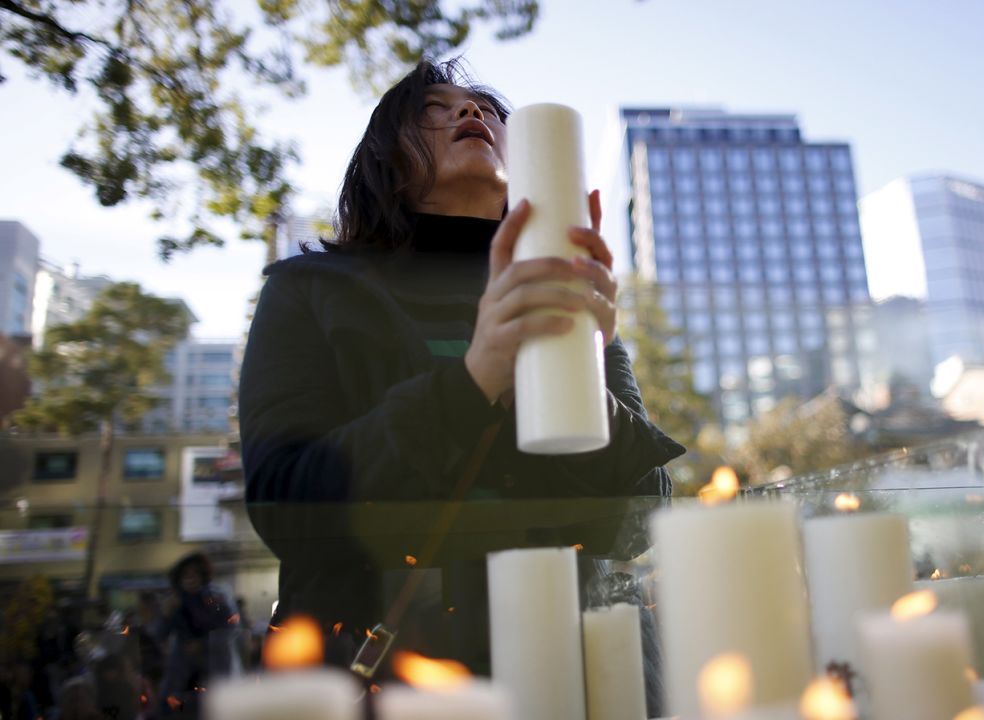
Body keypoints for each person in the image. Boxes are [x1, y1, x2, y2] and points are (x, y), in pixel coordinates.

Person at [238, 57, 684, 683]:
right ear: (383, 161)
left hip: (576, 668)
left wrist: (590, 360)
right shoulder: (309, 290)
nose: (470, 114)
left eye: (487, 111)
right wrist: (473, 383)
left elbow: (638, 520)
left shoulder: (561, 289)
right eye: (432, 112)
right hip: (401, 673)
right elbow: (287, 504)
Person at [156, 553, 241, 717]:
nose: (190, 578)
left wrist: (203, 643)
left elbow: (230, 628)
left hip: (214, 669)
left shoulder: (216, 597)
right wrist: (165, 615)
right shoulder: (175, 600)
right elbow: (158, 635)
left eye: (195, 573)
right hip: (182, 673)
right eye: (186, 575)